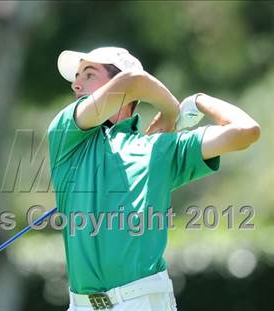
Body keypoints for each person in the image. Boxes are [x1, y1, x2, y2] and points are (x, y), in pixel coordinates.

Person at [47, 47, 261, 311]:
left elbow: (245, 131)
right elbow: (135, 82)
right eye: (76, 77)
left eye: (89, 75)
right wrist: (171, 111)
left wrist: (197, 101)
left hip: (144, 303)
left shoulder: (160, 148)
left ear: (117, 82)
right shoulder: (65, 134)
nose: (76, 84)